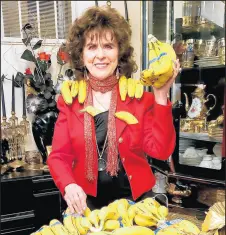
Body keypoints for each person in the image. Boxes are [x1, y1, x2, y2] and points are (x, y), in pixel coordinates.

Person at [47, 5, 180, 214]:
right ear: (81, 55)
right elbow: (58, 156)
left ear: (120, 52)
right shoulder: (70, 102)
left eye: (108, 46)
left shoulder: (139, 100)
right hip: (87, 205)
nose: (100, 55)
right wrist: (68, 185)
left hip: (137, 204)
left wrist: (161, 95)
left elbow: (161, 151)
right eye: (91, 47)